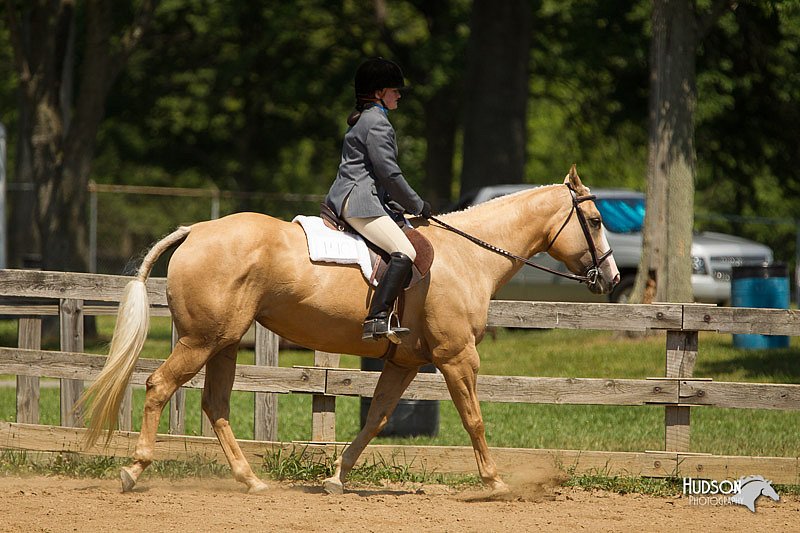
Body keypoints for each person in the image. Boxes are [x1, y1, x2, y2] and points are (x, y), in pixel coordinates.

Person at [325, 57, 432, 343]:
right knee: (404, 251)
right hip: (359, 201)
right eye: (393, 89)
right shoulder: (378, 123)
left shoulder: (366, 119)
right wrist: (417, 205)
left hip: (352, 195)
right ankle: (377, 318)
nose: (399, 94)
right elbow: (389, 173)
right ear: (378, 94)